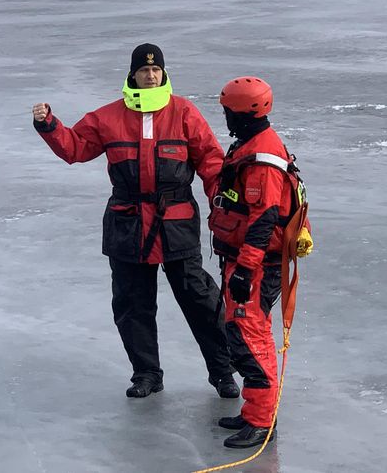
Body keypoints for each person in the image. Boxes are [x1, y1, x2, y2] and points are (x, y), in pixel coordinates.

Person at [31, 43, 239, 399]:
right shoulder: (107, 117)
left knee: (200, 300)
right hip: (127, 224)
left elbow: (211, 162)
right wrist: (49, 125)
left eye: (156, 69)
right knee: (132, 304)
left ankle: (222, 371)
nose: (151, 75)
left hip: (176, 222)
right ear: (133, 75)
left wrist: (223, 208)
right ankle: (146, 374)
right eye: (144, 71)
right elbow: (75, 148)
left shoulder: (185, 112)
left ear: (163, 73)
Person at [208, 76, 313, 448]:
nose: (224, 118)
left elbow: (263, 217)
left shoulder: (263, 159)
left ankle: (262, 421)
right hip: (243, 259)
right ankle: (254, 412)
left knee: (251, 338)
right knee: (243, 333)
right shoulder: (252, 144)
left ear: (242, 114)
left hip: (255, 264)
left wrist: (246, 269)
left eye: (227, 112)